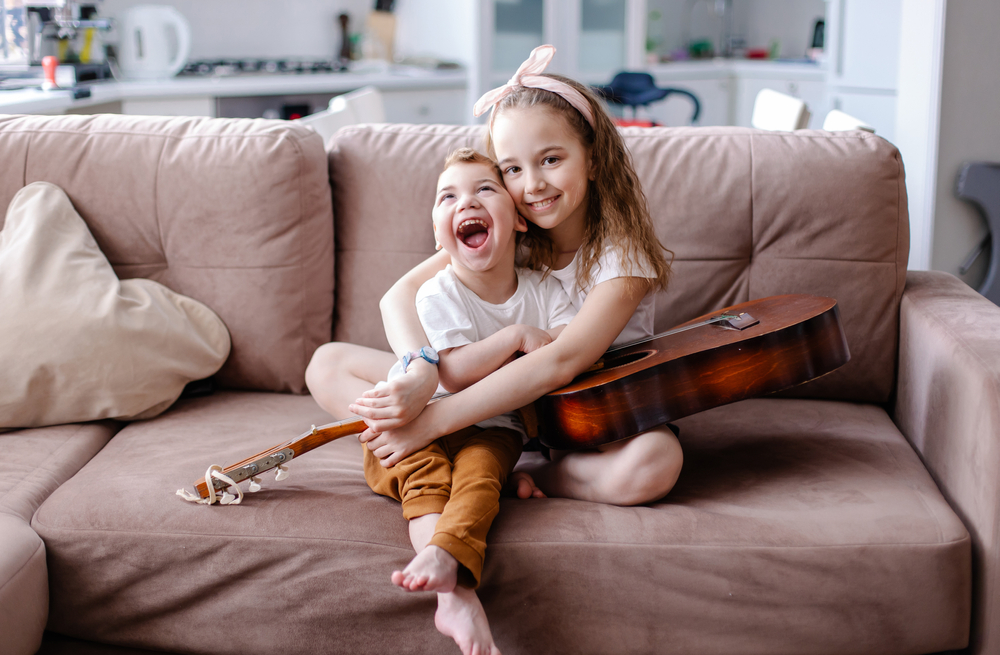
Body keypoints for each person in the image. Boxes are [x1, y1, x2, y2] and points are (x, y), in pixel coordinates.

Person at [340, 45, 683, 507]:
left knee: (656, 461)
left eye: (551, 160)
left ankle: (539, 473)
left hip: (587, 415)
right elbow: (399, 295)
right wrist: (419, 369)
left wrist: (432, 422)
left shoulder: (622, 256)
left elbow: (562, 361)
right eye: (512, 170)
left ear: (594, 160)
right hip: (497, 401)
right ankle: (455, 439)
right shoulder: (513, 232)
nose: (533, 185)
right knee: (328, 362)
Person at [323, 147, 576, 655]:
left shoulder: (546, 291)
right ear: (440, 236)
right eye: (448, 197)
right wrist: (515, 338)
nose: (467, 202)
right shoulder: (437, 291)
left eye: (485, 189)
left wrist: (542, 339)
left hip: (496, 426)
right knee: (427, 476)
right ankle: (455, 587)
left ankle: (445, 563)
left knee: (481, 478)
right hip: (416, 419)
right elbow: (454, 372)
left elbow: (564, 357)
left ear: (520, 223)